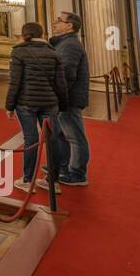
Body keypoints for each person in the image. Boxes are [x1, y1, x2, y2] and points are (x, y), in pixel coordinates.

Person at [5, 22, 69, 192]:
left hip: (26, 103)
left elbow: (15, 82)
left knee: (31, 139)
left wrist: (9, 106)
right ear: (41, 34)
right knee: (52, 139)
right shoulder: (53, 53)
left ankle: (28, 181)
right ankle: (52, 181)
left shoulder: (19, 52)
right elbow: (61, 84)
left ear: (25, 34)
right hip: (49, 102)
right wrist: (61, 104)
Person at [49, 12, 91, 186]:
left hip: (69, 98)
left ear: (69, 26)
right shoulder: (64, 43)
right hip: (65, 97)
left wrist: (58, 97)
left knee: (74, 136)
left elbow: (66, 74)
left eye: (59, 20)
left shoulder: (70, 45)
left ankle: (77, 173)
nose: (55, 22)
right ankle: (64, 166)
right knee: (62, 134)